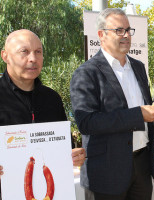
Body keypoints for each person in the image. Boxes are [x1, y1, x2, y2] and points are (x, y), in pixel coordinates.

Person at [70, 8, 154, 200]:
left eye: (128, 30)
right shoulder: (86, 73)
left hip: (141, 167)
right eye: (119, 30)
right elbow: (87, 122)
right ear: (101, 35)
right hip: (106, 173)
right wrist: (138, 115)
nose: (125, 36)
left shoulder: (138, 67)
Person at [0, 29, 86, 182]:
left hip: (48, 189)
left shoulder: (52, 99)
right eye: (24, 51)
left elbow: (65, 148)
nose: (33, 58)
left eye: (38, 52)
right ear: (5, 56)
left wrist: (74, 156)